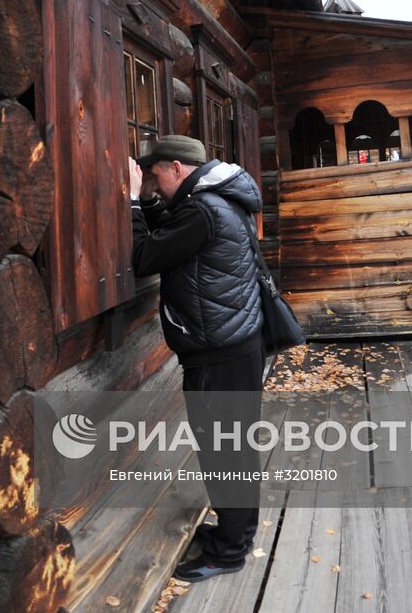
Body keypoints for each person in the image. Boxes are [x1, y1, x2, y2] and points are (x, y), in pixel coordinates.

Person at [126, 135, 265, 583]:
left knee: (227, 452)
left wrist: (131, 201)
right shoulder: (213, 201)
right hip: (233, 347)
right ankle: (233, 532)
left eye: (155, 174)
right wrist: (147, 205)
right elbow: (171, 238)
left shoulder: (201, 210)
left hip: (219, 354)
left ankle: (228, 553)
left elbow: (147, 256)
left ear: (177, 168)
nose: (153, 181)